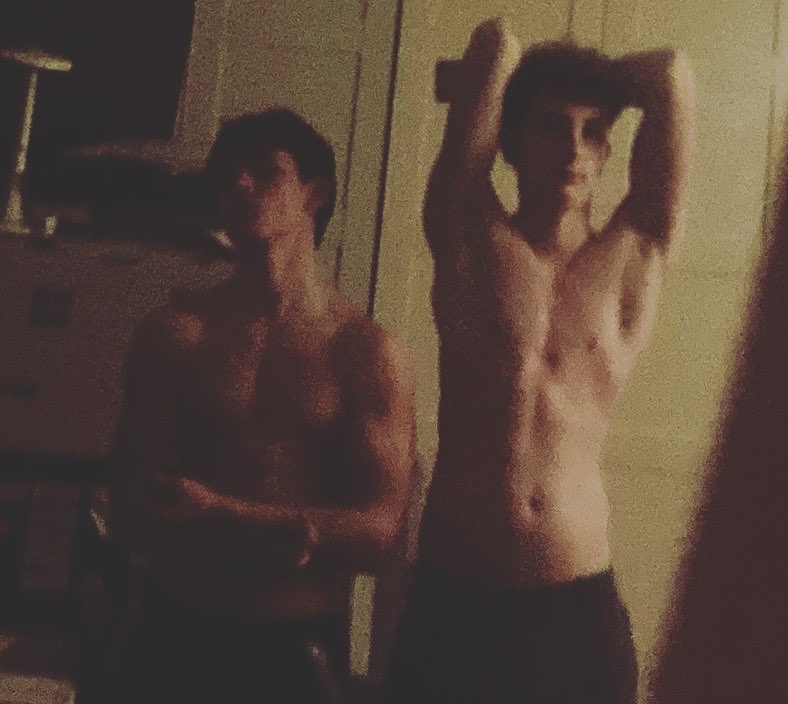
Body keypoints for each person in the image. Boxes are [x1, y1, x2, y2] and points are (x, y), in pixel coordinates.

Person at [386, 18, 694, 704]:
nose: (573, 150)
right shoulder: (468, 237)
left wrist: (602, 81)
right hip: (455, 598)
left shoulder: (634, 252)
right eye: (552, 127)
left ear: (608, 151)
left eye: (592, 132)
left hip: (573, 605)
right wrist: (515, 76)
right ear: (510, 142)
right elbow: (496, 45)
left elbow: (672, 72)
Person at [108, 108, 416, 704]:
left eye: (265, 172)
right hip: (177, 626)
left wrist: (223, 511)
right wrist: (292, 531)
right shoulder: (177, 335)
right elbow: (131, 506)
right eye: (228, 176)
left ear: (313, 194)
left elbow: (379, 532)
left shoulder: (365, 351)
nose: (240, 185)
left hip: (295, 641)